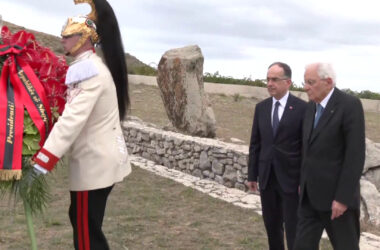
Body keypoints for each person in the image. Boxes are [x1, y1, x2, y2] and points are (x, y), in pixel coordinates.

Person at [32, 0, 131, 249]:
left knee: (87, 234)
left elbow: (72, 119)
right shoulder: (85, 68)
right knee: (82, 222)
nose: (62, 39)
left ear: (84, 38)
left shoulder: (90, 71)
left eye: (68, 35)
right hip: (93, 160)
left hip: (94, 163)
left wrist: (44, 159)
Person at [294, 63, 365, 250]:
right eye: (305, 82)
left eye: (310, 82)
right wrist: (303, 181)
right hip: (309, 197)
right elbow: (307, 149)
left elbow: (355, 156)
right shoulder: (311, 107)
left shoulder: (349, 105)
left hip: (337, 202)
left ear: (328, 82)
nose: (305, 87)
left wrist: (342, 198)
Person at [247, 62, 307, 250]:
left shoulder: (302, 108)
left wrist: (303, 180)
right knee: (272, 226)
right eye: (268, 79)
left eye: (274, 79)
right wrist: (252, 175)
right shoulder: (261, 108)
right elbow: (255, 144)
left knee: (293, 227)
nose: (270, 83)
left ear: (288, 82)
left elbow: (306, 148)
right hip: (267, 178)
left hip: (291, 180)